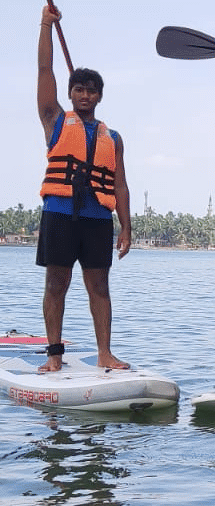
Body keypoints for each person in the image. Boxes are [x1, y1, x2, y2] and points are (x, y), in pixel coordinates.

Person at [36, 5, 132, 372]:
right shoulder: (55, 121)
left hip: (96, 218)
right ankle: (54, 355)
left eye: (92, 91)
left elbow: (120, 184)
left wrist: (125, 225)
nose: (85, 95)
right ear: (71, 93)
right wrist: (46, 25)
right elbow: (44, 70)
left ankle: (105, 353)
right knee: (56, 283)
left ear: (99, 96)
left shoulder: (114, 137)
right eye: (79, 89)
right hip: (59, 214)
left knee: (100, 287)